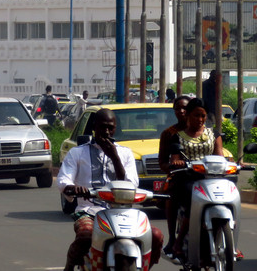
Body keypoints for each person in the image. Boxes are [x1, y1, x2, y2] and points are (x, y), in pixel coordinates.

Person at [58, 108, 163, 271]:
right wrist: (73, 188)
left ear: (115, 128)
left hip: (123, 212)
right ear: (94, 126)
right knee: (86, 235)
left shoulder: (125, 153)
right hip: (89, 211)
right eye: (102, 127)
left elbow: (132, 184)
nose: (106, 132)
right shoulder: (77, 152)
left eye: (110, 127)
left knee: (155, 236)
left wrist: (114, 157)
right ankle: (70, 266)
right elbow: (63, 180)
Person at [167, 97, 225, 260]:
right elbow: (174, 158)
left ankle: (231, 242)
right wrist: (177, 162)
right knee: (191, 202)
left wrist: (231, 163)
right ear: (188, 116)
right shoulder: (177, 137)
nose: (200, 119)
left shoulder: (214, 134)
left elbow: (220, 155)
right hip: (189, 178)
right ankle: (178, 242)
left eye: (203, 116)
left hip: (212, 178)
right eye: (196, 115)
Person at [158, 95, 190, 257]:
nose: (181, 111)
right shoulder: (169, 134)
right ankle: (172, 238)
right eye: (178, 108)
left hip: (205, 176)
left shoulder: (206, 132)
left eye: (185, 108)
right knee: (171, 196)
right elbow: (162, 161)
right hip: (180, 176)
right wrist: (172, 168)